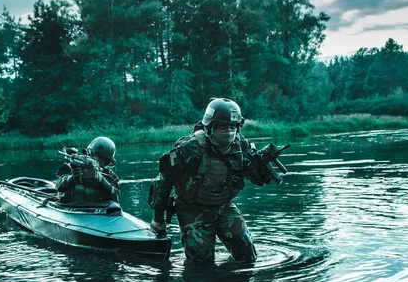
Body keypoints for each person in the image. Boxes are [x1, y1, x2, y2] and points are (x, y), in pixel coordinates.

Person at [148, 98, 275, 265]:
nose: (228, 131)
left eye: (232, 127)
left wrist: (260, 168)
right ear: (210, 127)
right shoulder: (190, 148)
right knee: (201, 263)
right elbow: (163, 182)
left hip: (224, 205)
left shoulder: (241, 146)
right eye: (222, 127)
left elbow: (250, 175)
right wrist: (158, 220)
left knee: (246, 253)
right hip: (192, 207)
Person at [56, 136, 120, 203]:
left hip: (99, 210)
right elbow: (58, 187)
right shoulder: (72, 167)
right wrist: (71, 179)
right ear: (89, 153)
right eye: (95, 155)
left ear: (108, 162)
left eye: (103, 159)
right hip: (69, 207)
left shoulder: (110, 176)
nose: (97, 160)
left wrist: (101, 181)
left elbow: (116, 198)